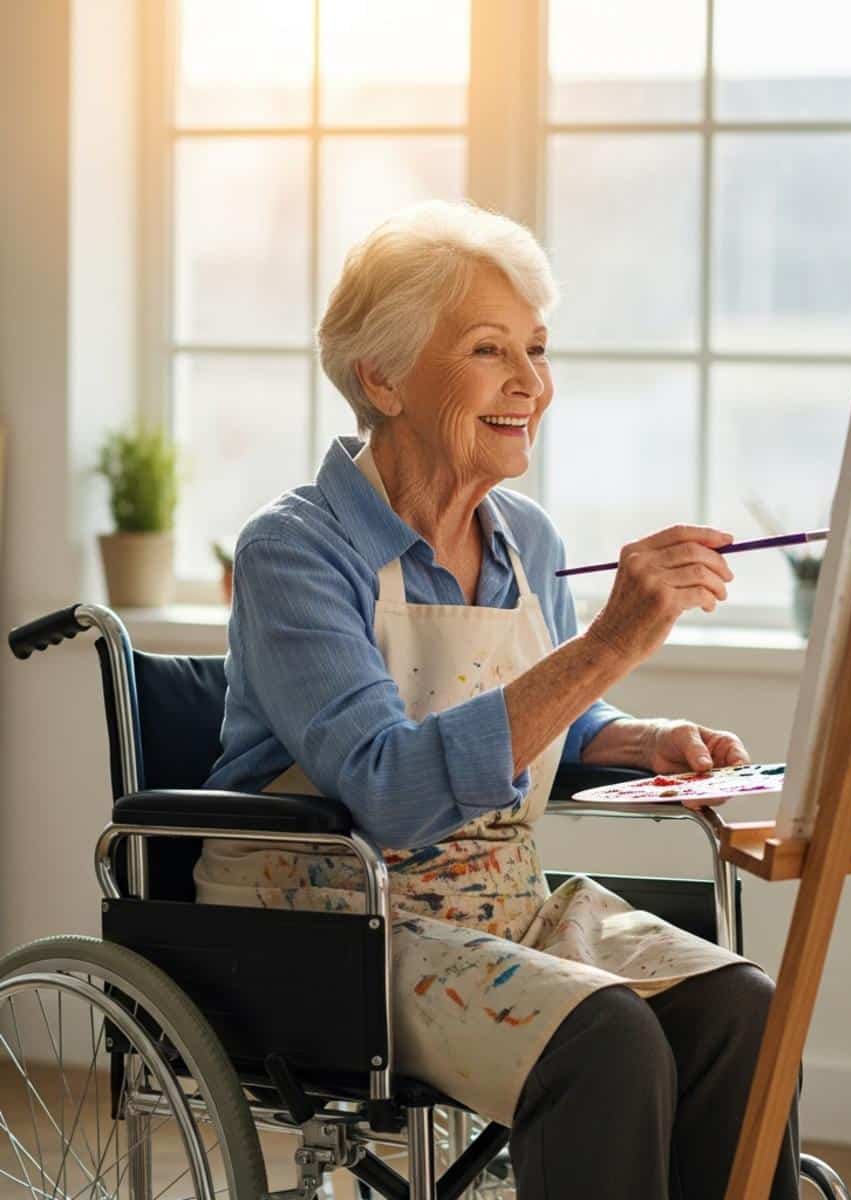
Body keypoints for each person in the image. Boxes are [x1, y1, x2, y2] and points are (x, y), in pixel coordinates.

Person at [196, 200, 800, 1199]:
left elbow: (532, 710)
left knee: (742, 1010)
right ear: (382, 377)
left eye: (537, 348)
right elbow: (387, 788)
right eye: (490, 349)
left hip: (496, 906)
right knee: (606, 1040)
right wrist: (609, 645)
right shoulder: (295, 550)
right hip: (332, 927)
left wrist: (634, 738)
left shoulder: (528, 541)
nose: (531, 383)